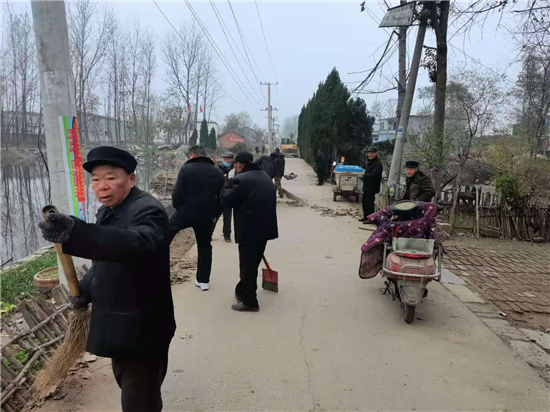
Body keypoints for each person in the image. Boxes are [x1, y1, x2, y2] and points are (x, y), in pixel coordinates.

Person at [38, 146, 175, 412]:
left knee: (139, 399)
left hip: (143, 327)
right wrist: (84, 291)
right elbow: (105, 259)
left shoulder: (148, 210)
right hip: (121, 324)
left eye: (111, 178)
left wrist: (77, 233)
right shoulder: (109, 211)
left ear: (131, 179)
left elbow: (135, 243)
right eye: (96, 179)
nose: (102, 186)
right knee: (130, 385)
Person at [221, 151, 278, 312]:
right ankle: (242, 291)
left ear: (238, 165)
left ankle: (250, 302)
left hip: (249, 229)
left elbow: (226, 200)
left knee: (247, 266)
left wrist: (227, 184)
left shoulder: (242, 179)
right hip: (264, 228)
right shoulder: (264, 176)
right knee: (252, 263)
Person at [169, 145, 224, 291]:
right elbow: (221, 197)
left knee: (164, 238)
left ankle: (156, 273)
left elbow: (177, 193)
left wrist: (178, 207)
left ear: (192, 155)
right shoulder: (217, 172)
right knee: (205, 246)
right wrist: (215, 214)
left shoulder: (186, 169)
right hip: (207, 216)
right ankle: (203, 281)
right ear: (204, 156)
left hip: (184, 214)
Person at [360, 147, 383, 222]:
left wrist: (365, 176)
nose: (371, 155)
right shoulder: (369, 162)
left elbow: (375, 174)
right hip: (367, 185)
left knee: (369, 203)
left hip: (372, 186)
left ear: (375, 154)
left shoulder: (377, 163)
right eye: (369, 153)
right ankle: (365, 217)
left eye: (372, 153)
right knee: (364, 202)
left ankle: (370, 218)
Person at [218, 153, 235, 243]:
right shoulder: (218, 167)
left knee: (227, 217)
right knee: (213, 216)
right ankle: (208, 234)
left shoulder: (235, 168)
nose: (226, 160)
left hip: (230, 195)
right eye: (224, 158)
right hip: (219, 194)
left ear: (232, 159)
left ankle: (227, 235)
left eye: (228, 159)